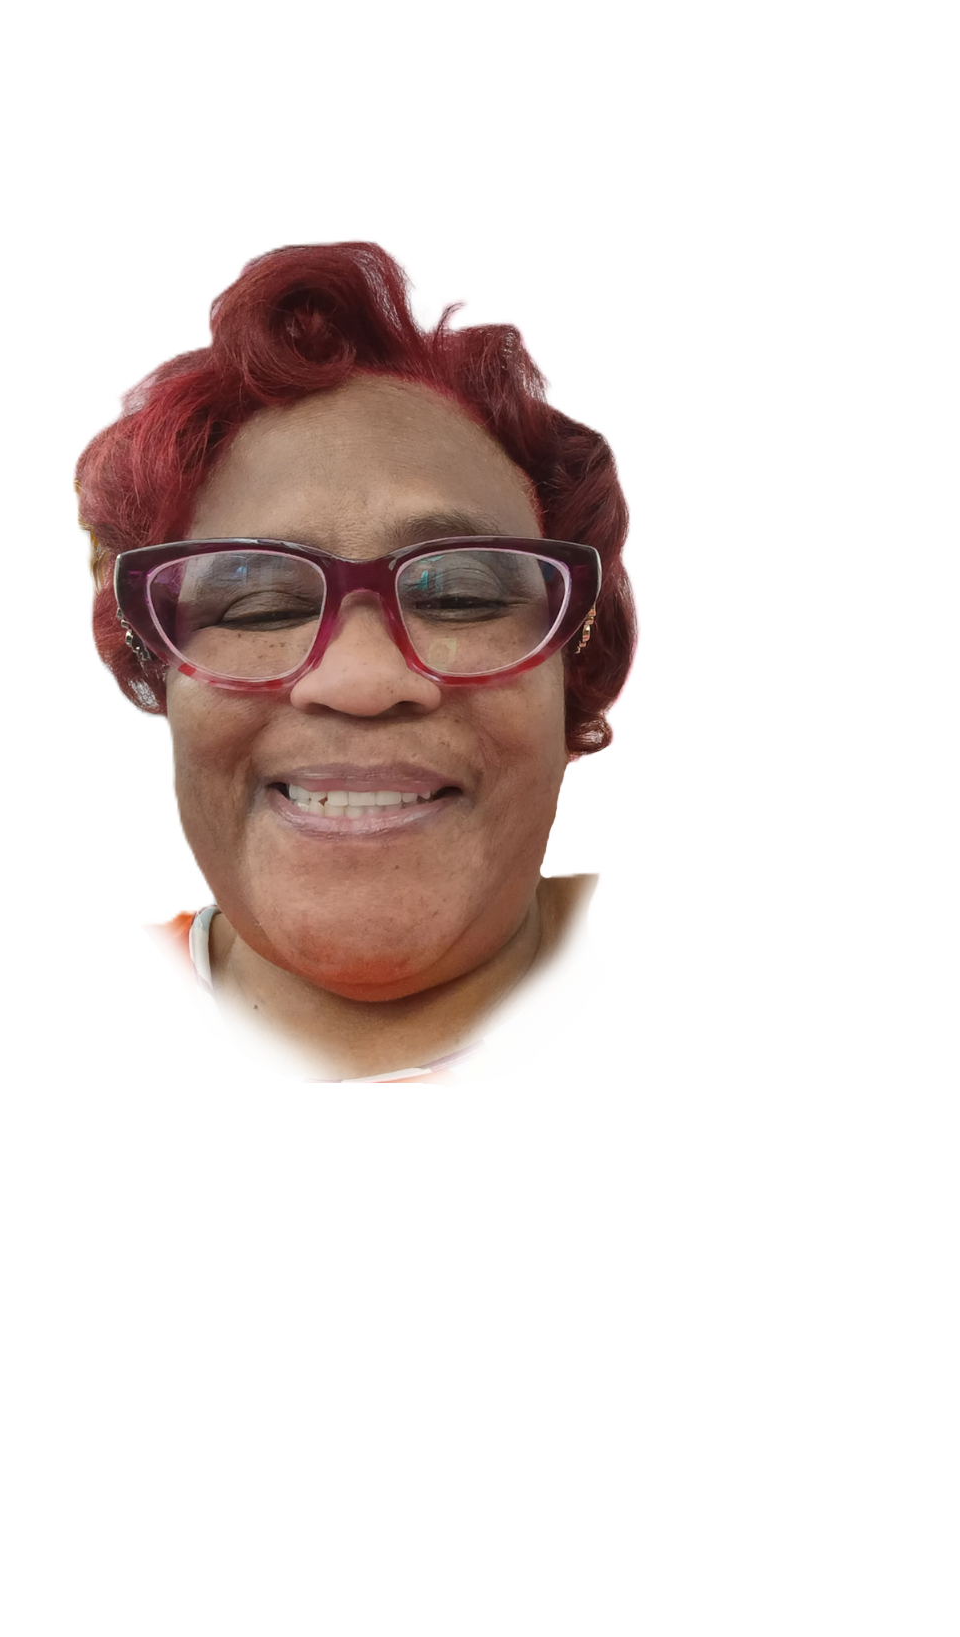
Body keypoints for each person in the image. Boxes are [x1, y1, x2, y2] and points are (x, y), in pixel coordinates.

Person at [64, 239, 653, 1150]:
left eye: (461, 595)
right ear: (160, 672)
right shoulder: (23, 1045)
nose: (364, 680)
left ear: (575, 662)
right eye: (258, 605)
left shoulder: (751, 1050)